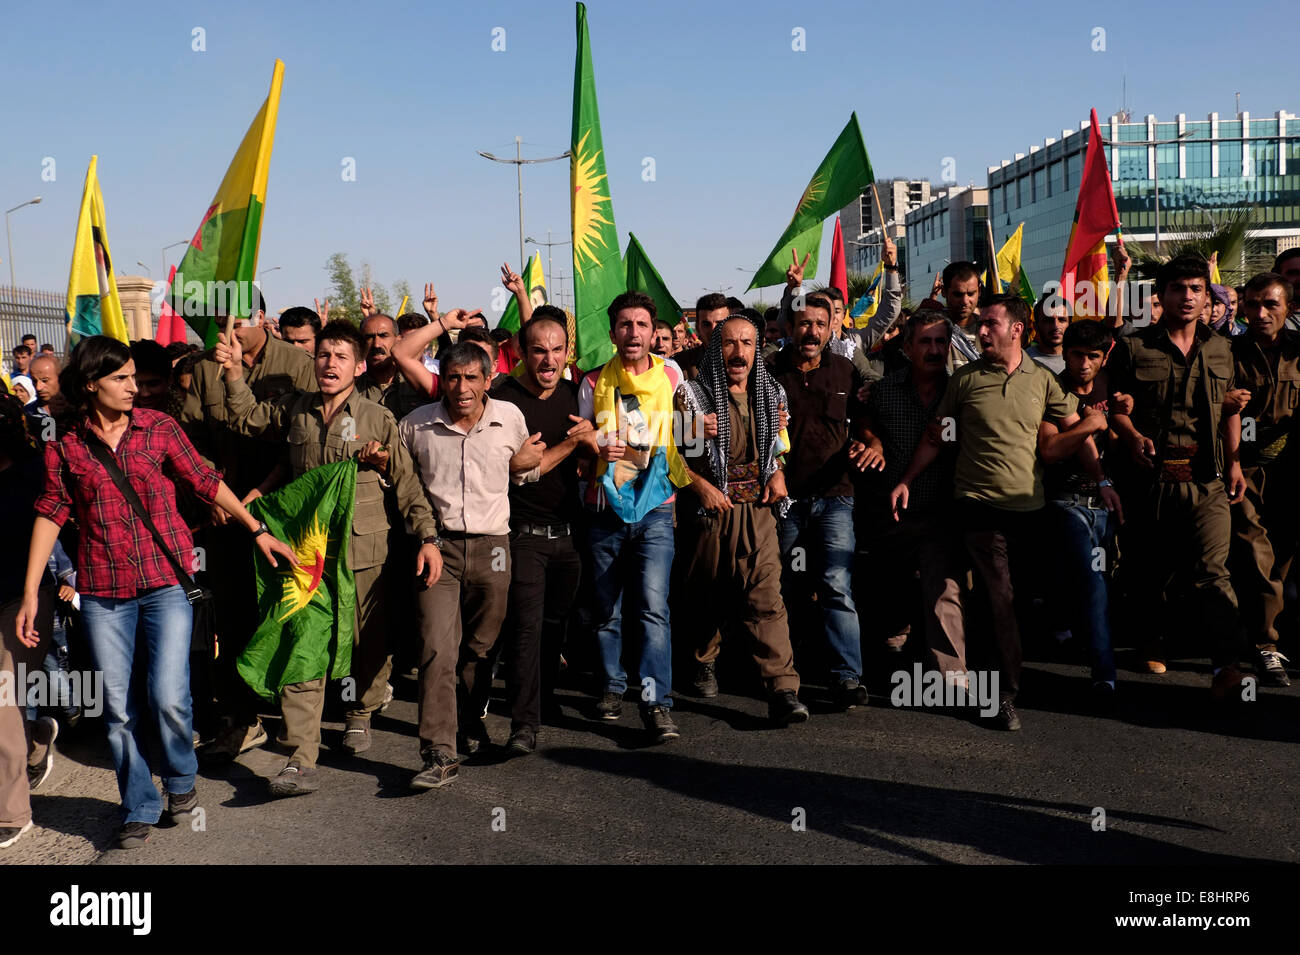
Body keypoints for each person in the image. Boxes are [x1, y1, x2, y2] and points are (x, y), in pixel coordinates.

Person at [19, 336, 295, 847]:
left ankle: (182, 778)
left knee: (169, 696)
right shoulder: (66, 442)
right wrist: (33, 588)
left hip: (166, 585)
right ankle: (138, 804)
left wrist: (257, 530)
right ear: (89, 385)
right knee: (119, 708)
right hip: (104, 593)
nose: (132, 387)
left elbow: (205, 482)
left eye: (132, 377)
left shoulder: (158, 427)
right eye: (120, 378)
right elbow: (52, 509)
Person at [214, 320, 441, 795]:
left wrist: (426, 536)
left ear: (359, 366)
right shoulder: (296, 411)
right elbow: (246, 418)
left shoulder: (378, 418)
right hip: (309, 555)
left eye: (340, 357)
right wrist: (234, 372)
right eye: (322, 355)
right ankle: (301, 757)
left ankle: (360, 710)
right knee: (304, 645)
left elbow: (407, 485)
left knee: (367, 640)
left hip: (363, 551)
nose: (329, 364)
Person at [890, 295, 1102, 730]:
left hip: (1030, 511)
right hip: (977, 510)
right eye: (981, 324)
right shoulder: (964, 380)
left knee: (1017, 600)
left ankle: (1013, 675)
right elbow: (937, 437)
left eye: (990, 324)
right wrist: (906, 480)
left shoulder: (1043, 380)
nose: (981, 331)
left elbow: (1076, 427)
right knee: (998, 597)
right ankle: (1004, 695)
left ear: (1017, 329)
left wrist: (1103, 480)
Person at [180, 289, 317, 760]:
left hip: (283, 513)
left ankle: (296, 714)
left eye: (236, 322)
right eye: (219, 323)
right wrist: (210, 489)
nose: (227, 333)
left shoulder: (295, 365)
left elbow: (297, 440)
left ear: (263, 317)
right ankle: (242, 718)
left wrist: (259, 497)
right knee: (234, 616)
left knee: (285, 612)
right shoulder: (202, 368)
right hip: (221, 512)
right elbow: (191, 438)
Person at [400, 339, 540, 788]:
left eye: (471, 378)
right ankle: (438, 751)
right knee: (437, 648)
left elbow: (524, 470)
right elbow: (401, 483)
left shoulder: (509, 419)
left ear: (488, 380)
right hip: (436, 548)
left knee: (481, 649)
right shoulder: (415, 426)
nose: (461, 387)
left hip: (494, 546)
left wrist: (537, 459)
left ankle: (469, 720)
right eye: (453, 377)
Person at [1106, 254, 1247, 698]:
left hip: (1206, 478)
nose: (1187, 297)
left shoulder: (1224, 349)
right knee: (1150, 568)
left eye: (1195, 289)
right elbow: (1113, 409)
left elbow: (1230, 410)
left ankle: (1227, 665)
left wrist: (1235, 462)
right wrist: (1130, 436)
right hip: (1151, 477)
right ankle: (1151, 639)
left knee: (1213, 571)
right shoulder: (1133, 348)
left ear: (1207, 296)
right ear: (1161, 296)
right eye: (1177, 289)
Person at [674, 315, 808, 724]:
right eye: (730, 343)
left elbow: (777, 450)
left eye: (747, 343)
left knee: (767, 598)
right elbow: (671, 454)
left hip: (759, 512)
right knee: (707, 594)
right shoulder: (691, 397)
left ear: (757, 348)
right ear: (717, 349)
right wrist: (700, 486)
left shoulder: (771, 392)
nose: (739, 352)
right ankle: (704, 658)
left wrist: (780, 472)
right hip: (711, 512)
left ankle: (783, 689)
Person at [578, 291, 691, 742]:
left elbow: (684, 433)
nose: (633, 333)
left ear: (652, 332)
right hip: (605, 508)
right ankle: (610, 686)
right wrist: (596, 447)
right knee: (607, 607)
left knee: (652, 608)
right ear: (612, 333)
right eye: (624, 325)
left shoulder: (672, 375)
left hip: (657, 508)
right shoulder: (593, 383)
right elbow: (583, 444)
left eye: (641, 325)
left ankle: (656, 703)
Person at [489, 312, 591, 753]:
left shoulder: (576, 393)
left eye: (556, 350)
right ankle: (522, 725)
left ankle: (543, 699)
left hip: (571, 533)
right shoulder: (503, 400)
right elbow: (515, 469)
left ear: (567, 352)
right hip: (523, 534)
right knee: (526, 629)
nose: (548, 359)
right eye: (538, 350)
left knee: (555, 625)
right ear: (522, 353)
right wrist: (572, 444)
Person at [769, 293, 872, 710]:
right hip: (786, 501)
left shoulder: (847, 372)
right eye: (803, 323)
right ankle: (790, 672)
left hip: (836, 499)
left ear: (832, 328)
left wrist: (870, 443)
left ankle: (847, 676)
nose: (811, 331)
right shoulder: (770, 373)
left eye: (819, 324)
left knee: (836, 584)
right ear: (790, 327)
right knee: (787, 586)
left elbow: (866, 426)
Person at [857, 311, 966, 677]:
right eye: (925, 342)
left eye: (940, 342)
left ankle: (952, 677)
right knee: (891, 598)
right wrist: (873, 443)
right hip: (893, 513)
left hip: (942, 512)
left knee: (943, 591)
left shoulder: (962, 393)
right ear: (906, 347)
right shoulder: (885, 391)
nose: (934, 350)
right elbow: (866, 427)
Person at [1037, 320, 1127, 704]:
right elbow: (1051, 448)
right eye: (1077, 355)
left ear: (1104, 355)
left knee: (1095, 578)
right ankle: (1104, 674)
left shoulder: (1113, 382)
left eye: (1093, 356)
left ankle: (1064, 628)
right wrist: (1089, 425)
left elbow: (1120, 429)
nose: (1085, 364)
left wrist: (1123, 420)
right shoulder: (1050, 388)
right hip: (1065, 500)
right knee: (1094, 582)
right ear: (1065, 352)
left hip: (1108, 501)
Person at [1228, 273, 1298, 687]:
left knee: (1283, 554)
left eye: (1270, 304)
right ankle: (1266, 646)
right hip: (1246, 467)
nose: (1260, 313)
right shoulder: (1227, 351)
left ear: (1287, 308)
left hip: (1290, 469)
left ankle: (1269, 634)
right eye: (1252, 304)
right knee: (1257, 553)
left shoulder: (1299, 353)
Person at [0, 394, 57, 850]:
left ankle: (11, 812)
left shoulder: (36, 475)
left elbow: (64, 533)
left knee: (3, 706)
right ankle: (36, 737)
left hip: (20, 603)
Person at [356, 313, 427, 420]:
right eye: (369, 337)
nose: (376, 344)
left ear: (398, 340)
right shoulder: (351, 390)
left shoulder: (419, 385)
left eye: (383, 335)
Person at [675, 293, 730, 380]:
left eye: (720, 323)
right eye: (706, 324)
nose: (713, 330)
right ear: (697, 327)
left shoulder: (743, 361)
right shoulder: (679, 364)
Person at [1026, 298, 1070, 374]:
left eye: (1062, 320)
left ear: (1070, 324)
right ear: (1035, 326)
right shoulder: (1022, 360)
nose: (1056, 326)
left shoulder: (1081, 359)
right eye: (1048, 321)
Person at [129, 340, 173, 412]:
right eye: (137, 384)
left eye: (153, 384)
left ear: (170, 380)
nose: (145, 394)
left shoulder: (187, 415)